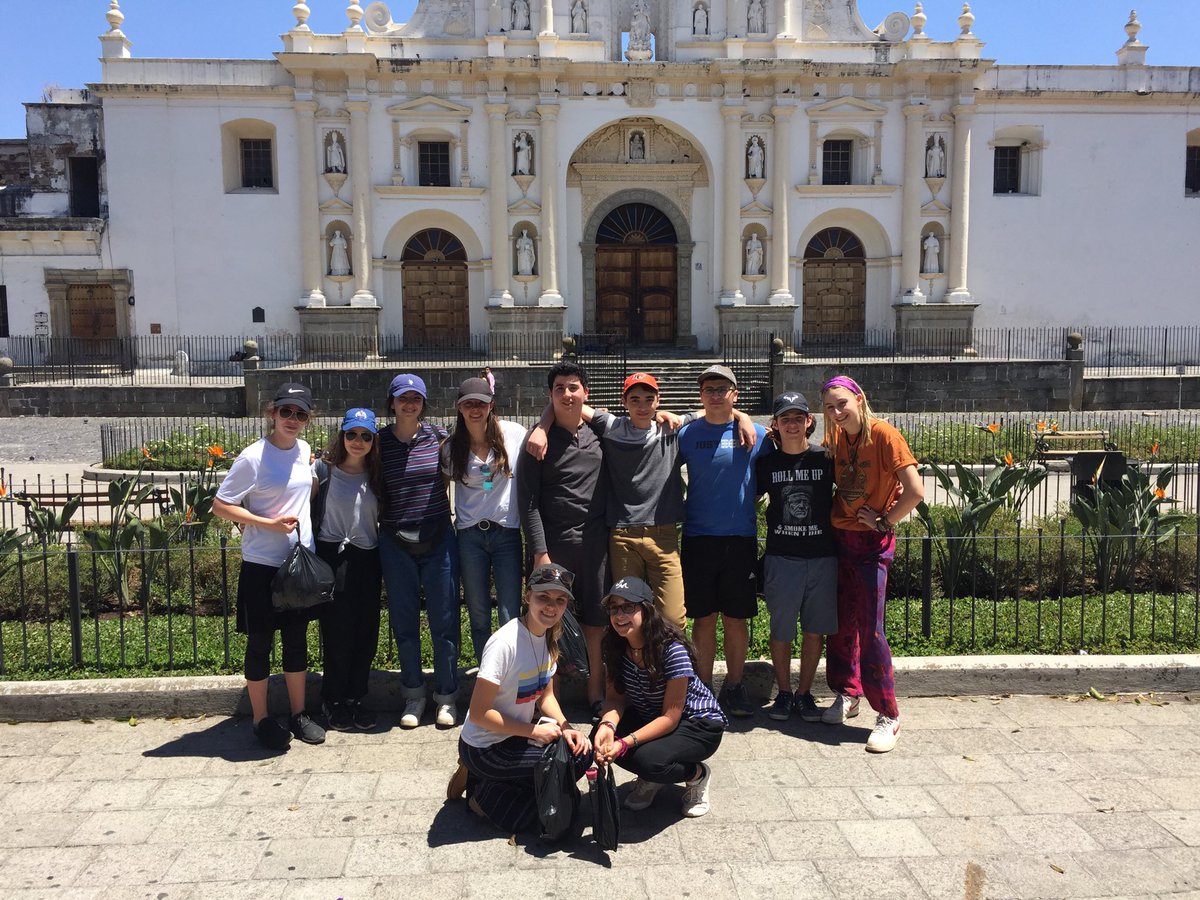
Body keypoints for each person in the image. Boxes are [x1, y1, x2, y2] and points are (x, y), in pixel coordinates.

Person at [526, 371, 755, 632]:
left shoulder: (672, 429)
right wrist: (543, 426)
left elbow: (714, 411)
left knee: (674, 617)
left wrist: (743, 417)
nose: (642, 405)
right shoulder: (612, 427)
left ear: (658, 400)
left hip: (663, 535)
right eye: (634, 399)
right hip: (623, 536)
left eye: (648, 398)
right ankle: (629, 671)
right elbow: (567, 401)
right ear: (624, 403)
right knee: (625, 617)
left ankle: (669, 670)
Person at [213, 382, 326, 751]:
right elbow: (221, 504)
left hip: (297, 563)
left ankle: (298, 713)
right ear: (271, 413)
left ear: (308, 420)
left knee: (296, 641)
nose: (292, 420)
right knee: (260, 643)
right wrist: (266, 524)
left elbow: (306, 491)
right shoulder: (253, 457)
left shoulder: (304, 450)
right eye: (286, 412)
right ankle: (261, 719)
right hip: (262, 563)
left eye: (300, 414)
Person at [820, 375, 924, 753]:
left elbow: (915, 490)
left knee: (871, 626)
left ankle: (888, 713)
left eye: (842, 403)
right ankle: (848, 693)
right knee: (841, 621)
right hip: (840, 539)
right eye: (830, 406)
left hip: (870, 544)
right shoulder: (836, 436)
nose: (836, 411)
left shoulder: (884, 435)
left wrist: (884, 520)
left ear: (860, 399)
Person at [449, 563, 593, 833]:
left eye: (560, 600)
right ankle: (480, 789)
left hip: (514, 735)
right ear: (528, 597)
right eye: (544, 597)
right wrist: (534, 732)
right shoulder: (504, 644)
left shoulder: (551, 637)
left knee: (581, 754)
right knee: (544, 804)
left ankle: (501, 783)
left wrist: (566, 727)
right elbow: (480, 714)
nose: (551, 606)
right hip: (486, 746)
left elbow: (546, 695)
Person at [516, 361, 608, 717]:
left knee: (595, 626)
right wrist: (540, 553)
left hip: (596, 548)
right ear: (550, 395)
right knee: (546, 622)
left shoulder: (601, 433)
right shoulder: (537, 442)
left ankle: (595, 694)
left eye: (574, 388)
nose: (567, 394)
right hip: (553, 549)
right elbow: (529, 502)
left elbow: (640, 417)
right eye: (559, 389)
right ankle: (547, 698)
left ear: (586, 394)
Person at [676, 365, 769, 717]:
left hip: (740, 538)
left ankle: (734, 685)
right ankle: (703, 689)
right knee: (703, 619)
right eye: (709, 389)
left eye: (722, 388)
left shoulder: (756, 434)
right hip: (699, 538)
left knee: (735, 619)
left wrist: (743, 418)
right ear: (701, 396)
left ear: (735, 394)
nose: (716, 394)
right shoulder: (687, 434)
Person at [594, 576, 726, 818]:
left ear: (646, 609)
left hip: (698, 723)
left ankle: (697, 775)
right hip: (653, 714)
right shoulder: (613, 645)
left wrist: (625, 742)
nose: (619, 615)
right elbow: (614, 700)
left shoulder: (671, 649)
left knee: (649, 761)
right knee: (599, 736)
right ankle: (654, 777)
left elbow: (670, 717)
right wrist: (607, 725)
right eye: (614, 608)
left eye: (628, 607)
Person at [378, 373, 460, 729]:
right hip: (395, 540)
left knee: (445, 622)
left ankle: (446, 697)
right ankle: (413, 694)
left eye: (416, 398)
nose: (409, 404)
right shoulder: (378, 442)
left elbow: (452, 477)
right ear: (392, 403)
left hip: (438, 537)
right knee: (404, 622)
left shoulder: (440, 438)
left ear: (423, 403)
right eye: (402, 398)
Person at [755, 392, 837, 723]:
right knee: (782, 629)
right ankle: (784, 693)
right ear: (774, 425)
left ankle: (805, 694)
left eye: (798, 418)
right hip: (782, 556)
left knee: (815, 630)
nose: (792, 424)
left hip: (822, 556)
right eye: (785, 419)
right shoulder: (766, 464)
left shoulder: (826, 458)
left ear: (809, 422)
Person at [442, 377, 527, 664]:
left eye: (481, 403)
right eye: (469, 404)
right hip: (469, 536)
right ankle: (486, 671)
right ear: (459, 408)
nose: (475, 409)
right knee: (477, 612)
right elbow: (441, 489)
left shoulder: (513, 434)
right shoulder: (451, 447)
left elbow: (545, 433)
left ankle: (510, 675)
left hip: (506, 533)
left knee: (509, 612)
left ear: (491, 405)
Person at [314, 408, 383, 732]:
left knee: (366, 633)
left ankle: (356, 697)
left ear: (373, 441)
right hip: (334, 556)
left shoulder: (376, 474)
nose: (358, 441)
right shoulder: (322, 471)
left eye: (365, 436)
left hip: (367, 557)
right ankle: (334, 699)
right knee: (337, 634)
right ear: (342, 436)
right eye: (352, 434)